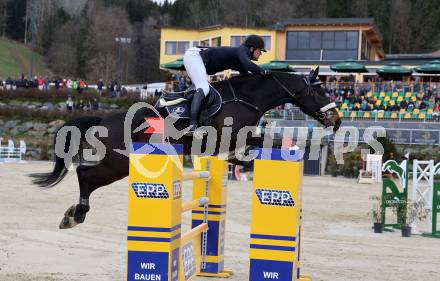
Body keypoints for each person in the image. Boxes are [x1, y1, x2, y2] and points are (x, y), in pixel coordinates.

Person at [182, 34, 269, 135]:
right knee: (204, 88)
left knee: (206, 89)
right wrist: (264, 72)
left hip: (198, 59)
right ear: (252, 48)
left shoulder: (241, 59)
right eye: (260, 50)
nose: (261, 53)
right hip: (195, 56)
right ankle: (192, 126)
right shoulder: (242, 51)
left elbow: (246, 79)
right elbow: (249, 65)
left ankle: (199, 120)